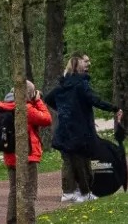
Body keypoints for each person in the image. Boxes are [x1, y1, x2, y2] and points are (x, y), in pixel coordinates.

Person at [45, 54, 122, 204]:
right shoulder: (81, 84)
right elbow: (95, 100)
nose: (89, 64)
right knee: (82, 161)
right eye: (85, 61)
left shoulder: (62, 86)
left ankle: (68, 192)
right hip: (80, 131)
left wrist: (64, 110)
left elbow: (49, 98)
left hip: (64, 131)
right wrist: (114, 108)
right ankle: (85, 192)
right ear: (77, 64)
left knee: (68, 161)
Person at [0, 82, 52, 224]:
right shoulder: (25, 108)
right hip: (27, 156)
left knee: (14, 190)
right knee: (29, 191)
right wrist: (38, 100)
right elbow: (46, 119)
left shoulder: (4, 107)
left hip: (10, 156)